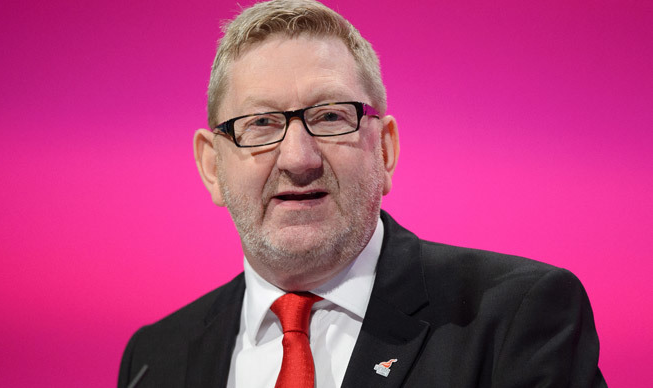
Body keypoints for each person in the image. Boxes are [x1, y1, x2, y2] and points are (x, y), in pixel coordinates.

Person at [118, 0, 606, 387]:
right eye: (261, 123)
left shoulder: (514, 318)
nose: (298, 158)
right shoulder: (154, 358)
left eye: (331, 116)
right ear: (212, 166)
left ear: (385, 150)